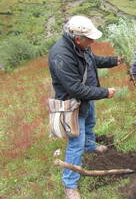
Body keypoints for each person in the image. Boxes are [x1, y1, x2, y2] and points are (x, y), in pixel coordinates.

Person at [48, 15, 122, 199]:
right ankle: (70, 185)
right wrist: (104, 92)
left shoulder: (82, 47)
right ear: (77, 38)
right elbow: (75, 89)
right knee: (75, 143)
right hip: (73, 103)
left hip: (86, 99)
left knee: (90, 123)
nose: (92, 42)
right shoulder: (62, 55)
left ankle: (90, 146)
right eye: (89, 39)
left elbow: (92, 60)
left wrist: (114, 61)